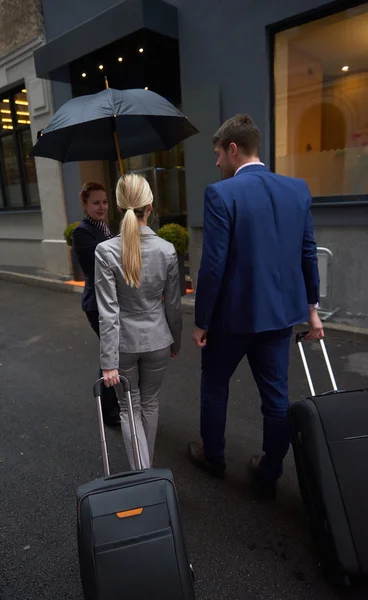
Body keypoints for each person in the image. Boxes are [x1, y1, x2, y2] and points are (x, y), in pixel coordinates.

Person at [188, 114, 323, 498]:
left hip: (231, 319)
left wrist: (201, 322)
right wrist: (312, 307)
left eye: (217, 154)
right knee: (276, 398)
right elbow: (307, 253)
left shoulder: (222, 193)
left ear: (233, 150)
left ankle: (213, 457)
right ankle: (269, 473)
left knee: (215, 387)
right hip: (280, 317)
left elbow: (213, 265)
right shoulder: (296, 190)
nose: (216, 163)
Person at [95, 174, 182, 469]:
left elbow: (107, 311)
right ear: (151, 205)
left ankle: (142, 476)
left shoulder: (105, 251)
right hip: (158, 338)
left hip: (123, 344)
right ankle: (148, 474)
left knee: (128, 408)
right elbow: (173, 304)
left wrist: (108, 361)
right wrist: (176, 341)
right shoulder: (167, 250)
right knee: (150, 404)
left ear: (119, 207)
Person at [72, 182, 120, 426]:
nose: (102, 207)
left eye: (104, 201)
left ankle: (113, 403)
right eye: (96, 203)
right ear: (84, 204)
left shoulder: (105, 227)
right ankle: (108, 410)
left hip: (111, 302)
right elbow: (97, 267)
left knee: (114, 353)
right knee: (110, 354)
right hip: (96, 304)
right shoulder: (82, 232)